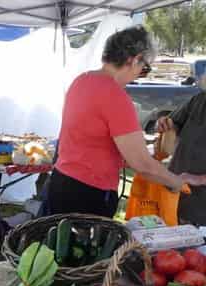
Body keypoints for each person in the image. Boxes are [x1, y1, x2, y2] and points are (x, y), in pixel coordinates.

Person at [48, 25, 206, 218]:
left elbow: (89, 138)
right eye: (144, 68)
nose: (140, 74)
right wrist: (177, 183)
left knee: (62, 245)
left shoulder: (81, 81)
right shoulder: (115, 96)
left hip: (61, 181)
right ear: (134, 60)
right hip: (90, 192)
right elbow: (142, 164)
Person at [157, 91, 206, 225]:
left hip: (201, 209)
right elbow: (175, 121)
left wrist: (200, 179)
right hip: (175, 193)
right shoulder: (200, 99)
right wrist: (166, 123)